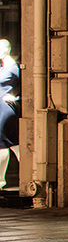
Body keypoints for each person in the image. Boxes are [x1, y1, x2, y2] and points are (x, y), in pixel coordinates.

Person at [0, 40, 18, 191]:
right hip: (1, 107)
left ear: (6, 50)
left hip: (6, 109)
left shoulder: (13, 68)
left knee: (4, 142)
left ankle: (0, 181)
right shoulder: (4, 67)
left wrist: (15, 97)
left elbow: (23, 85)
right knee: (11, 143)